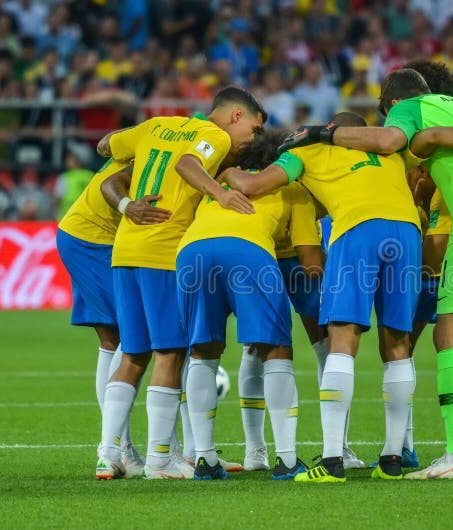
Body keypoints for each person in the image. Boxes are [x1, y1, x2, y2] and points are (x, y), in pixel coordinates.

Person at [280, 69, 453, 479]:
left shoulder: (411, 111)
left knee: (451, 330)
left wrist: (321, 133)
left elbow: (392, 140)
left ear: (393, 105)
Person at [221, 111, 423, 482]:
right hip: (407, 231)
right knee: (398, 343)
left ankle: (332, 461)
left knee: (342, 340)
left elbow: (255, 186)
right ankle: (392, 459)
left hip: (356, 229)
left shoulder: (309, 149)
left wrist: (228, 172)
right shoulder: (392, 150)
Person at [94, 87, 265, 480]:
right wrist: (220, 194)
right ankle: (160, 460)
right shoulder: (216, 137)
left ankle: (108, 454)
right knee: (170, 354)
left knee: (133, 355)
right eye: (253, 130)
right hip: (163, 248)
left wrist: (141, 149)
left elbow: (106, 145)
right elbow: (187, 164)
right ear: (235, 116)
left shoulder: (157, 125)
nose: (250, 141)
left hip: (126, 246)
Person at [176, 130, 323, 480]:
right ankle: (287, 460)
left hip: (191, 252)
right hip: (248, 253)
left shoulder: (218, 184)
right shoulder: (292, 188)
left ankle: (205, 458)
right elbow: (310, 260)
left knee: (203, 352)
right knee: (275, 349)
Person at [56, 157, 162, 478]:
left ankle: (115, 446)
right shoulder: (161, 153)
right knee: (132, 340)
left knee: (112, 340)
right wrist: (129, 206)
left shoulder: (144, 142)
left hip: (86, 234)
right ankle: (116, 448)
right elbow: (110, 183)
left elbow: (104, 144)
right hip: (94, 240)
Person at [54, 141, 95, 220]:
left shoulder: (65, 178)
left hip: (66, 223)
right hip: (88, 222)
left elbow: (57, 201)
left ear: (78, 160)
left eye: (70, 156)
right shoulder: (92, 176)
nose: (67, 158)